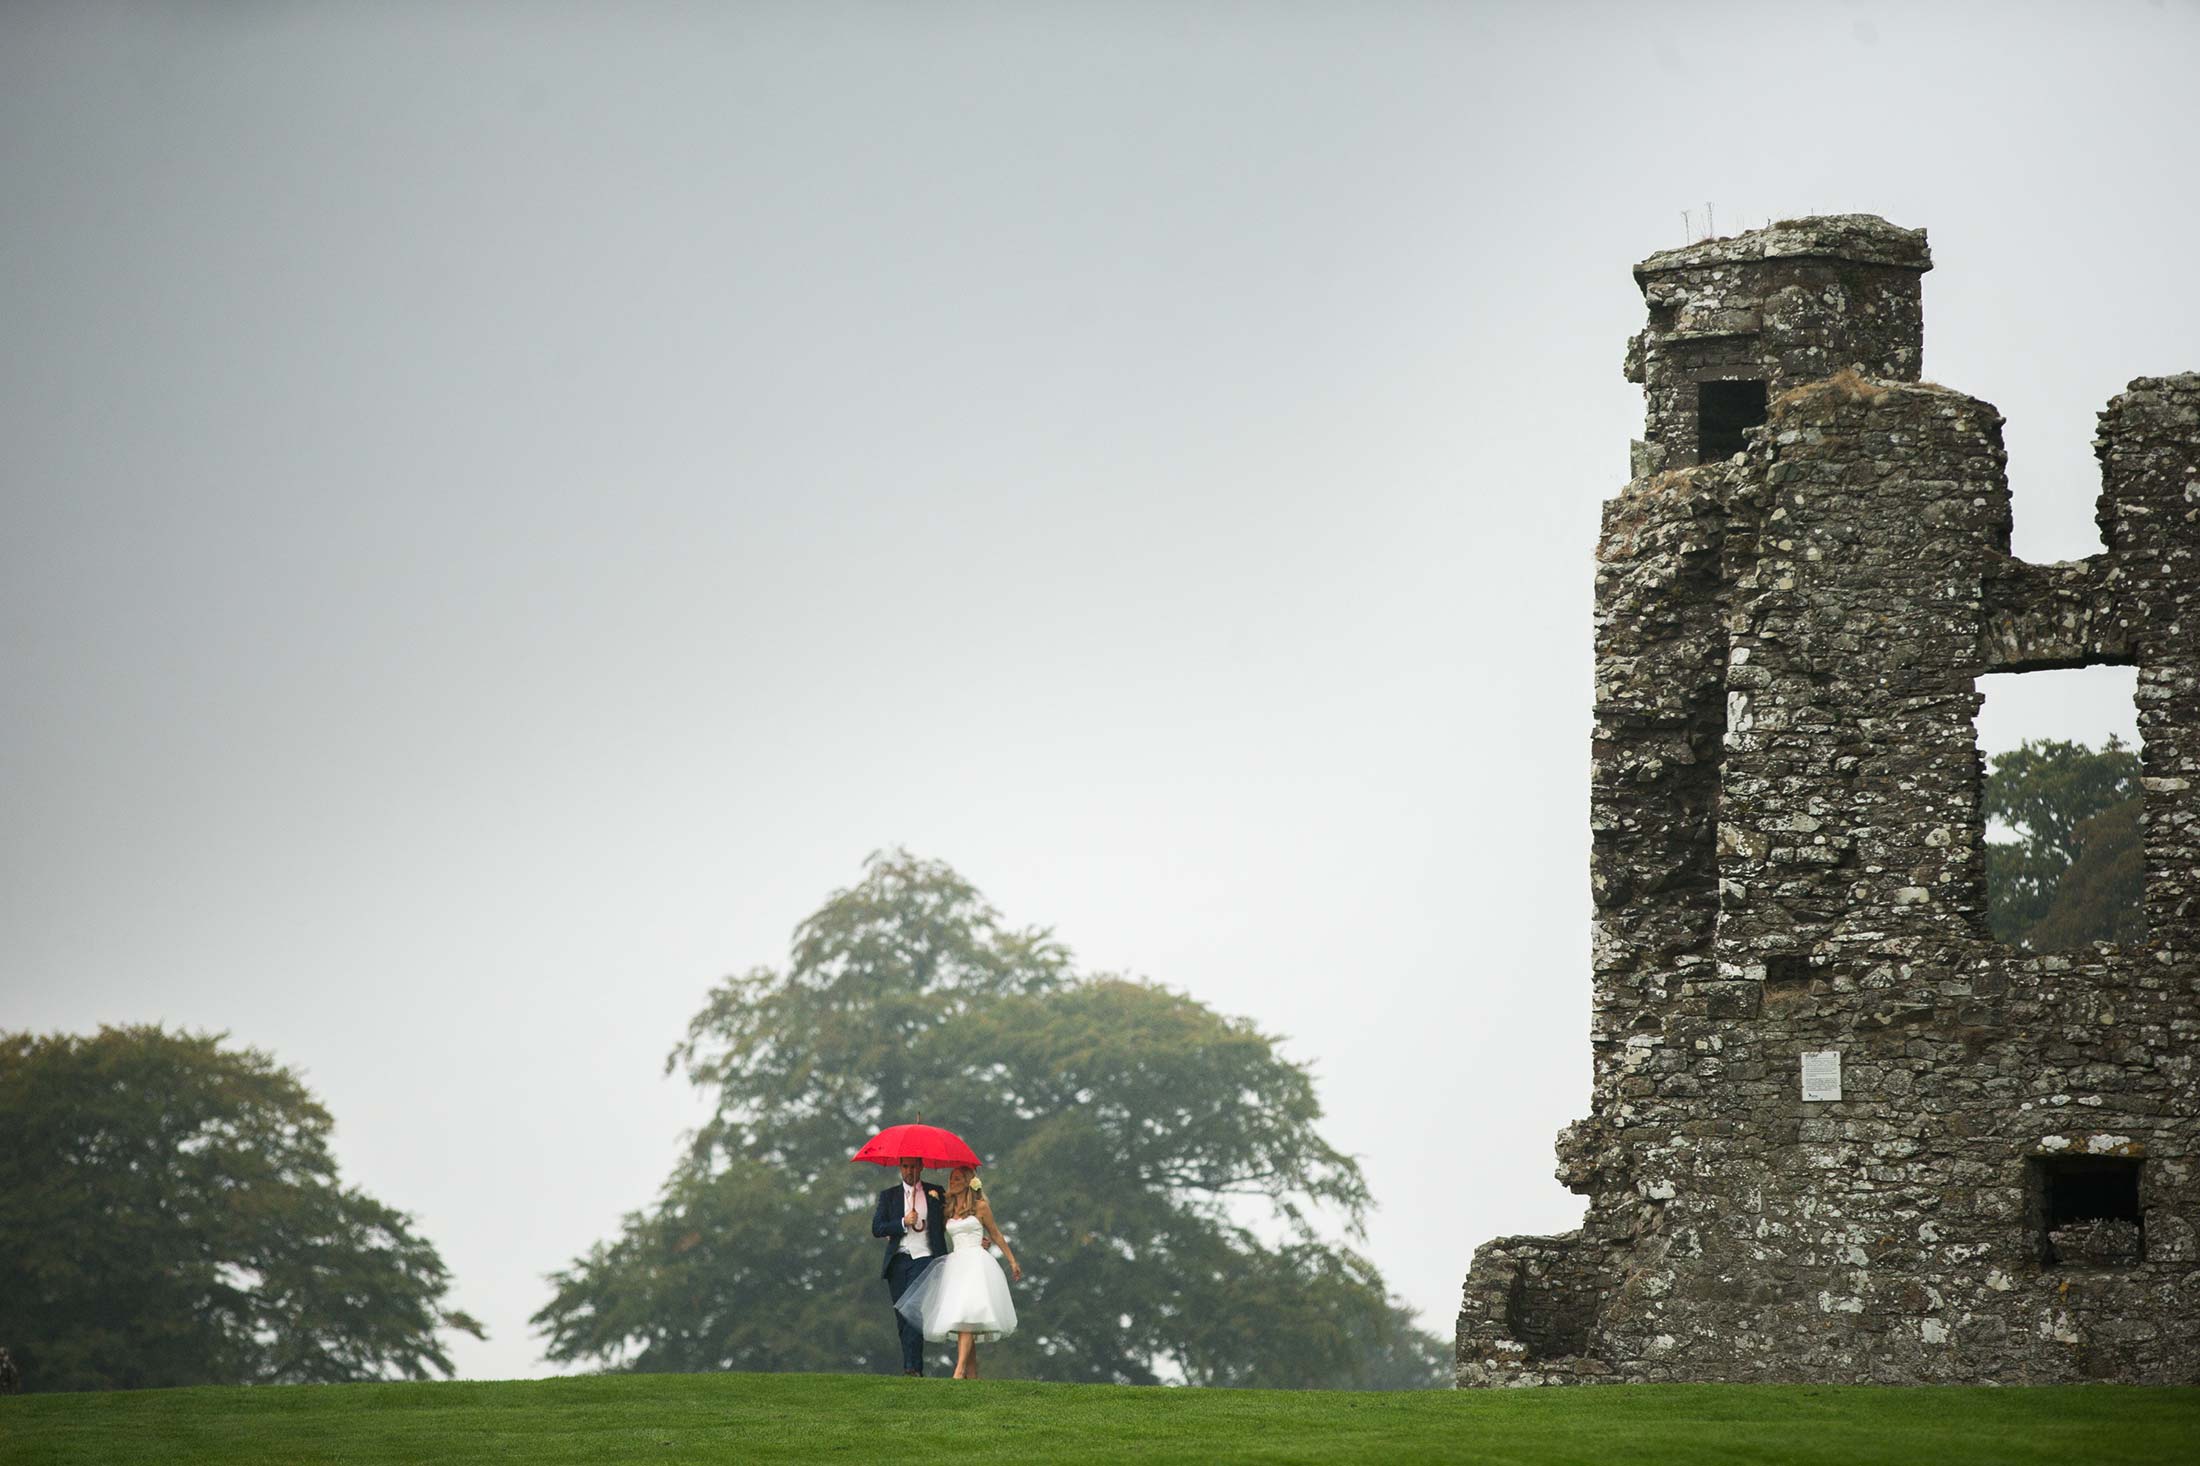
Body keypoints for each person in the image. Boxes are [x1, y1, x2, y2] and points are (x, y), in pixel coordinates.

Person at [893, 1164, 1021, 1379]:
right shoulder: (948, 1208)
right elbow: (934, 1232)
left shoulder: (981, 1207)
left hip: (976, 1265)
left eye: (959, 1178)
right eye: (952, 1178)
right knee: (963, 1318)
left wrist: (1012, 1261)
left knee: (966, 1317)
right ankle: (971, 1375)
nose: (954, 1182)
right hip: (956, 1266)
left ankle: (958, 1371)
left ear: (969, 1181)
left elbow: (996, 1234)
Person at [871, 1156, 947, 1375]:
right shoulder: (889, 1196)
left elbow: (951, 1217)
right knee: (902, 1314)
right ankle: (912, 1367)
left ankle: (912, 1367)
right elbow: (877, 1228)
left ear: (921, 1166)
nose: (909, 1171)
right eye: (905, 1166)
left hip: (925, 1258)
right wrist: (903, 1222)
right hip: (898, 1259)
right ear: (900, 1167)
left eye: (913, 1166)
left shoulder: (936, 1193)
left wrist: (974, 1235)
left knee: (914, 1308)